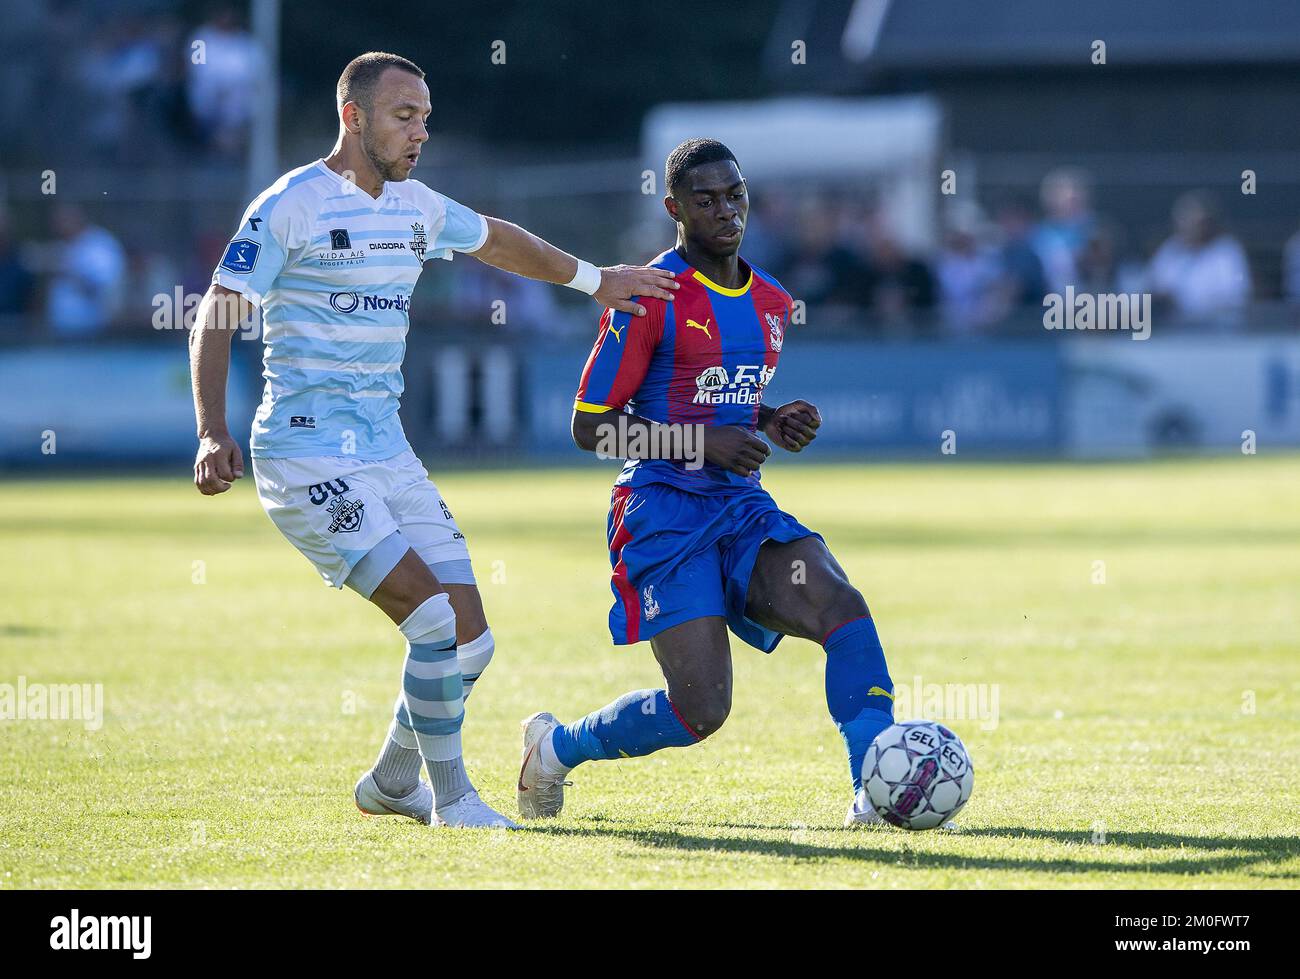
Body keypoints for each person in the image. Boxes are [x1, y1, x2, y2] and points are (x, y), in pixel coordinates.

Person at [189, 52, 677, 829]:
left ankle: (390, 779)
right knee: (433, 623)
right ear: (353, 118)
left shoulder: (416, 206)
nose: (421, 131)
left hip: (388, 453)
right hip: (305, 453)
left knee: (472, 644)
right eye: (403, 116)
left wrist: (594, 278)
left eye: (424, 116)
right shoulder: (291, 204)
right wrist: (212, 430)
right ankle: (454, 800)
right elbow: (217, 313)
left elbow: (497, 241)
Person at [516, 139, 897, 828]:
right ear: (674, 208)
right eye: (706, 199)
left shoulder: (774, 302)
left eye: (736, 194)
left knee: (842, 605)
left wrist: (772, 416)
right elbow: (590, 427)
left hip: (740, 506)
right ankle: (555, 746)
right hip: (661, 513)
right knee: (702, 708)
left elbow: (713, 395)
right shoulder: (645, 296)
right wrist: (702, 443)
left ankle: (878, 788)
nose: (725, 210)